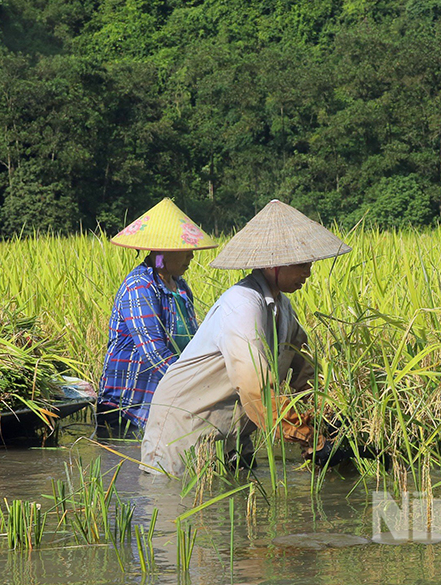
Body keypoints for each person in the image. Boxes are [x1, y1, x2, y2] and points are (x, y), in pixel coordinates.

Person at [140, 199, 352, 476]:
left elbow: (305, 368)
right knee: (174, 500)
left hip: (231, 430)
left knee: (232, 508)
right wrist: (301, 432)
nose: (308, 273)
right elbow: (253, 383)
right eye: (301, 263)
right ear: (273, 264)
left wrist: (325, 417)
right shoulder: (241, 304)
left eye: (309, 264)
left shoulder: (282, 308)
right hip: (186, 428)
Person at [99, 198, 217, 434]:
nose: (192, 256)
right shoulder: (140, 287)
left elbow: (191, 341)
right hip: (129, 407)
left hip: (164, 400)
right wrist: (196, 386)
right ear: (162, 251)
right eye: (185, 250)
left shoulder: (180, 287)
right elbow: (154, 354)